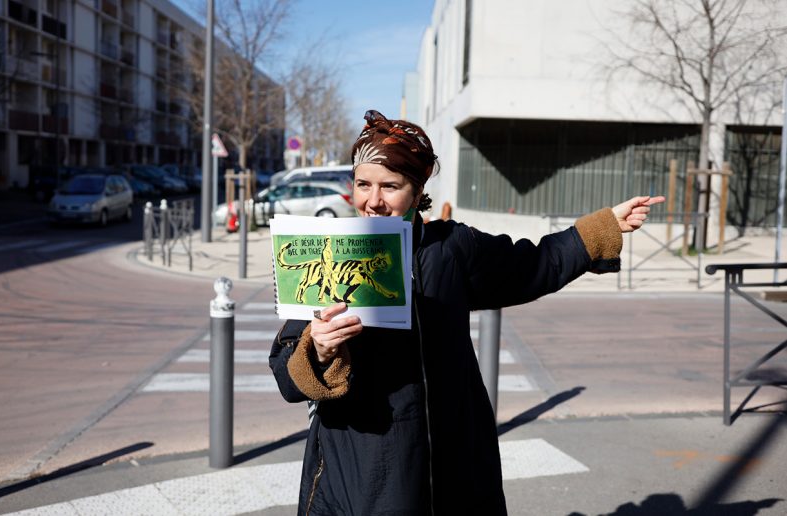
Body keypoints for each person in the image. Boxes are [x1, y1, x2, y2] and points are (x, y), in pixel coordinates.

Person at [269, 109, 664, 515]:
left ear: (418, 187)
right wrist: (318, 350)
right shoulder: (327, 251)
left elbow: (532, 266)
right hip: (362, 468)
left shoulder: (452, 249)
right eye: (363, 184)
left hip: (454, 455)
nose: (374, 201)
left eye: (391, 186)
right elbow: (286, 373)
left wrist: (601, 229)